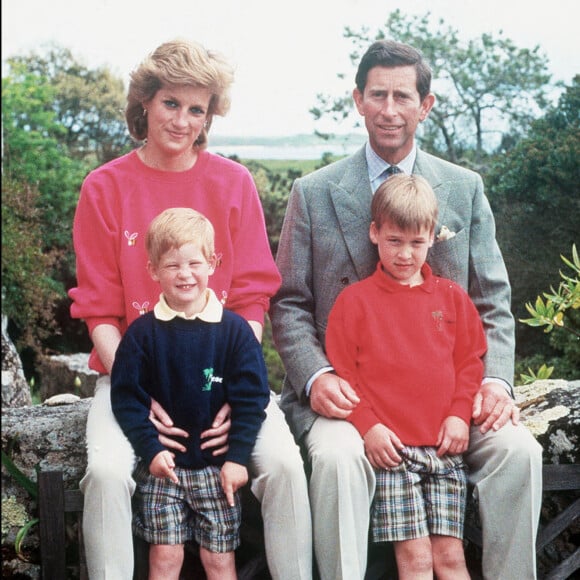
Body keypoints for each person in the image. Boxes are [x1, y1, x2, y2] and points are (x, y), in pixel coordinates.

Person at [270, 39, 543, 580]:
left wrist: (495, 384)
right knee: (336, 458)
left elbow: (490, 300)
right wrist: (317, 374)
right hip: (351, 397)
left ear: (426, 105)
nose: (389, 110)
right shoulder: (315, 191)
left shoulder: (464, 189)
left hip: (449, 398)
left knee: (519, 452)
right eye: (377, 95)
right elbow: (288, 304)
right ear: (358, 100)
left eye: (402, 96)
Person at [69, 39, 311, 580]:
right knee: (107, 473)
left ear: (210, 116)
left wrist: (233, 386)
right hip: (131, 377)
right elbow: (100, 312)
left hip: (224, 374)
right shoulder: (104, 188)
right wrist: (137, 385)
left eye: (196, 108)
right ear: (145, 105)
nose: (182, 120)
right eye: (170, 104)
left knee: (285, 467)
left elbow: (250, 296)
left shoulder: (233, 183)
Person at [325, 174, 487, 579]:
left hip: (445, 452)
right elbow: (344, 377)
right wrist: (369, 428)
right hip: (393, 454)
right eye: (394, 241)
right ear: (374, 233)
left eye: (416, 243)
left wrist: (458, 414)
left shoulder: (452, 298)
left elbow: (471, 363)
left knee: (450, 558)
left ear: (432, 237)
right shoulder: (354, 302)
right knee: (414, 560)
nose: (404, 254)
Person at [111, 207, 271, 580]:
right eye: (171, 266)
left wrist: (237, 459)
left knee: (219, 561)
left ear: (213, 263)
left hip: (218, 471)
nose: (184, 274)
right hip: (164, 471)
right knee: (164, 559)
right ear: (152, 270)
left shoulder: (234, 332)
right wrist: (150, 450)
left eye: (194, 263)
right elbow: (126, 398)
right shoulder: (141, 334)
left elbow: (252, 400)